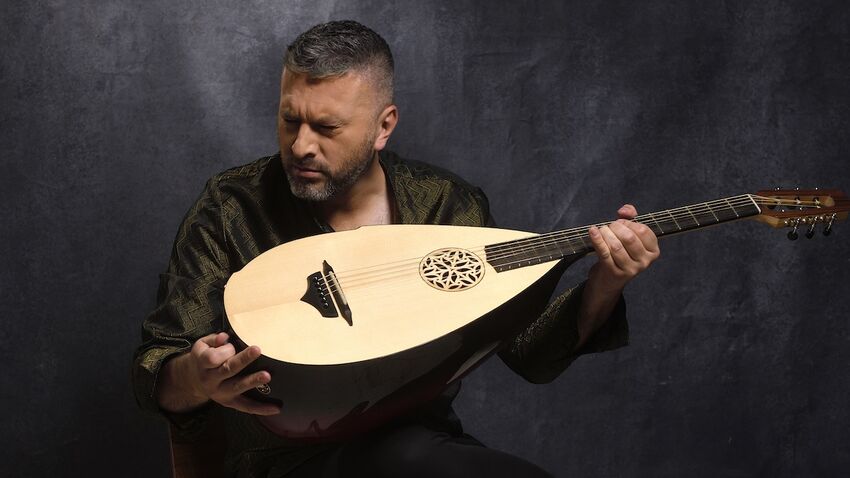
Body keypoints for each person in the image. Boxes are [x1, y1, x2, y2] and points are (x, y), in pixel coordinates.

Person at [132, 20, 660, 477]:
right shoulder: (230, 207)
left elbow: (529, 351)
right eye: (289, 119)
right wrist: (198, 377)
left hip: (422, 451)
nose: (300, 145)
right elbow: (156, 369)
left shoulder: (444, 207)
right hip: (287, 463)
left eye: (326, 127)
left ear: (384, 126)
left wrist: (605, 282)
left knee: (409, 458)